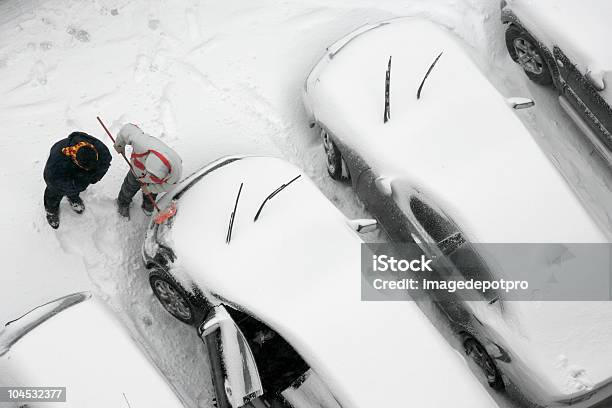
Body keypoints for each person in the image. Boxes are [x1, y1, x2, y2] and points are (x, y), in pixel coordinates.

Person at [43, 132, 112, 229]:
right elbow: (52, 181)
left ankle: (73, 197)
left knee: (74, 191)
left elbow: (105, 162)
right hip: (58, 182)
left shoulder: (99, 149)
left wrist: (95, 177)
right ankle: (51, 210)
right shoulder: (57, 161)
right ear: (76, 161)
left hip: (77, 179)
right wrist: (80, 182)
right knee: (53, 194)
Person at [114, 124, 182, 218]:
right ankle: (123, 203)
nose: (147, 177)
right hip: (137, 170)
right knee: (129, 187)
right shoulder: (141, 143)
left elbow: (168, 186)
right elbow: (127, 129)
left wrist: (150, 188)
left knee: (151, 192)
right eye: (149, 173)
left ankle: (148, 205)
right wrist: (119, 144)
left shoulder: (175, 171)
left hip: (154, 183)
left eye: (153, 176)